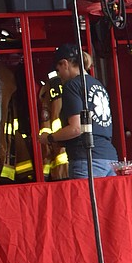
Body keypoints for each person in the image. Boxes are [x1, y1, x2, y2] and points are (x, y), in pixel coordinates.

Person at [42, 43, 118, 178]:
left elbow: (76, 128)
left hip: (87, 160)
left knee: (84, 199)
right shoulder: (97, 84)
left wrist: (49, 138)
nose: (59, 75)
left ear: (65, 63)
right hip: (109, 158)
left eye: (58, 69)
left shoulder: (72, 86)